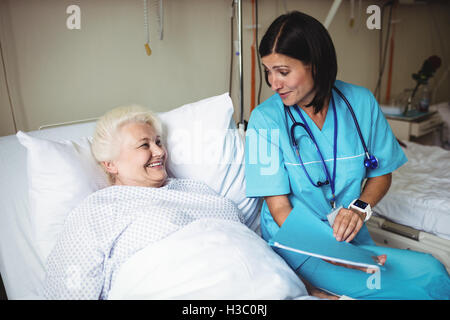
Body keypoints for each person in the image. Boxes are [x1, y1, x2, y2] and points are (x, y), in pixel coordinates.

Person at [245, 11, 450, 299]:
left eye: (283, 71)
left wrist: (358, 210)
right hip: (298, 245)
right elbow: (279, 210)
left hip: (351, 240)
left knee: (433, 271)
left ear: (315, 64)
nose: (273, 83)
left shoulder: (361, 102)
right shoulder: (264, 120)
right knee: (404, 291)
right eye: (268, 71)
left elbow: (381, 174)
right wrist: (332, 253)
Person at [42, 105, 309, 300]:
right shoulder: (98, 209)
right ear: (110, 164)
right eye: (143, 145)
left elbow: (245, 244)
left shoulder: (197, 189)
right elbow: (67, 290)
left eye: (158, 142)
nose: (159, 151)